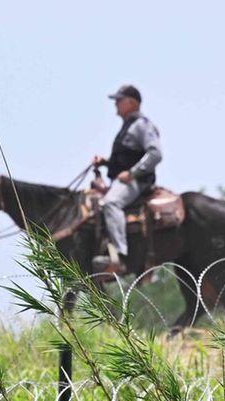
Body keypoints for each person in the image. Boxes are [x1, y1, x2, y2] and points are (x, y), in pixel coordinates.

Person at [90, 84, 162, 275]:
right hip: (125, 181)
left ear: (131, 102)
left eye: (119, 100)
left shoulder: (142, 125)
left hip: (138, 181)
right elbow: (127, 156)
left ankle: (120, 256)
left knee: (111, 202)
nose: (116, 104)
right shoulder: (128, 125)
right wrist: (106, 162)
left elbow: (155, 154)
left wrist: (133, 173)